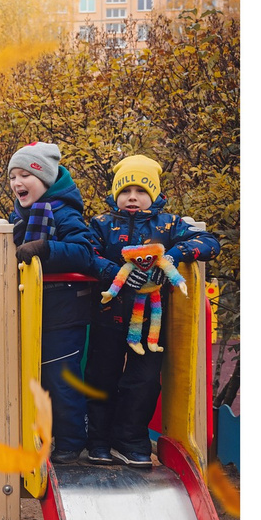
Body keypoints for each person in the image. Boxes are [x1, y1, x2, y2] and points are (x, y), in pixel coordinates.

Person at [86, 155, 220, 466]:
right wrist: (113, 270)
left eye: (141, 191)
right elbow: (87, 254)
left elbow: (209, 242)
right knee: (101, 377)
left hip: (151, 323)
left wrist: (171, 257)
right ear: (116, 194)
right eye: (125, 190)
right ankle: (99, 441)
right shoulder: (102, 224)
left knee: (144, 380)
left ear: (155, 195)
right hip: (108, 315)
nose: (132, 197)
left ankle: (130, 440)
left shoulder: (169, 224)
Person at [5, 144, 106, 462]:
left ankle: (72, 442)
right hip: (29, 313)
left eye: (25, 175)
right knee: (32, 381)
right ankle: (38, 438)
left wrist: (46, 249)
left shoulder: (64, 212)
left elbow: (84, 252)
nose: (17, 182)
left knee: (61, 380)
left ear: (45, 179)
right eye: (12, 176)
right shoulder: (17, 218)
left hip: (63, 312)